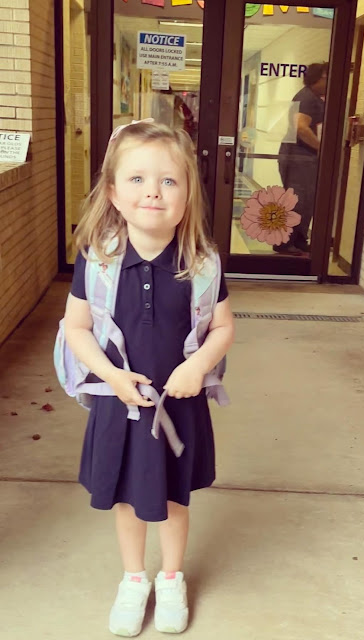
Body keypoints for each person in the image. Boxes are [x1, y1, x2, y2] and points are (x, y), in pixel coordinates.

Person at [63, 120, 235, 636]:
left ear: (187, 196)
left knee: (174, 500)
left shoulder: (201, 263)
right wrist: (111, 376)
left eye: (168, 180)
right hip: (121, 404)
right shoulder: (97, 260)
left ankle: (171, 578)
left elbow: (223, 327)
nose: (153, 192)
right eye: (137, 179)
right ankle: (134, 579)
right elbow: (76, 327)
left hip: (179, 406)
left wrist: (197, 366)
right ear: (114, 193)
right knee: (127, 500)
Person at [274, 62, 328, 255]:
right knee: (298, 200)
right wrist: (323, 149)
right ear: (317, 78)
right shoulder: (306, 98)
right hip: (298, 157)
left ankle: (299, 240)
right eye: (326, 77)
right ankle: (284, 242)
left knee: (307, 200)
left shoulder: (313, 97)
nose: (328, 81)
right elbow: (301, 128)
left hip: (303, 157)